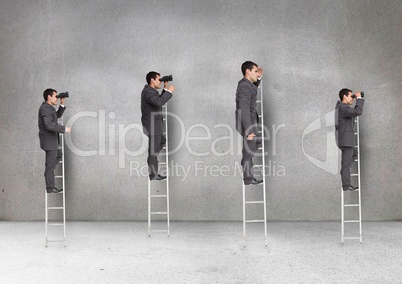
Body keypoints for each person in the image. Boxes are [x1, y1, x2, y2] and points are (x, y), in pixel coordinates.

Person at [141, 71, 175, 180]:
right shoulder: (148, 92)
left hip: (154, 125)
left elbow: (157, 100)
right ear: (152, 80)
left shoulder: (151, 91)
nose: (160, 82)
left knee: (161, 141)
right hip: (152, 126)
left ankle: (152, 158)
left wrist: (165, 88)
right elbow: (159, 102)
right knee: (153, 151)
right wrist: (169, 92)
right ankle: (153, 173)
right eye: (158, 79)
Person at [235, 61, 264, 185]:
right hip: (248, 123)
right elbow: (243, 109)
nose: (257, 73)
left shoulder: (248, 84)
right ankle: (248, 177)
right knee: (248, 151)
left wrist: (259, 77)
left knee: (257, 142)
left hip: (252, 121)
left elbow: (253, 89)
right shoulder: (244, 86)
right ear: (248, 71)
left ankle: (246, 159)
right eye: (255, 71)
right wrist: (249, 130)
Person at [38, 88, 71, 193]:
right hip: (49, 142)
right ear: (49, 97)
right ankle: (50, 187)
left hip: (52, 142)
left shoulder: (49, 108)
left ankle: (48, 171)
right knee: (50, 166)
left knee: (58, 155)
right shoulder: (44, 108)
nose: (56, 98)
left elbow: (56, 116)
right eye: (55, 96)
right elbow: (49, 125)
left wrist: (62, 103)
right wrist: (64, 129)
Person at [335, 88, 364, 191]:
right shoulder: (343, 107)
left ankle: (344, 171)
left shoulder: (343, 107)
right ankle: (346, 185)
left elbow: (354, 113)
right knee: (346, 164)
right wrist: (359, 98)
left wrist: (357, 99)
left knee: (354, 155)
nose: (352, 99)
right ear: (344, 97)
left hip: (347, 140)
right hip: (346, 141)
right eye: (351, 96)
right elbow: (358, 111)